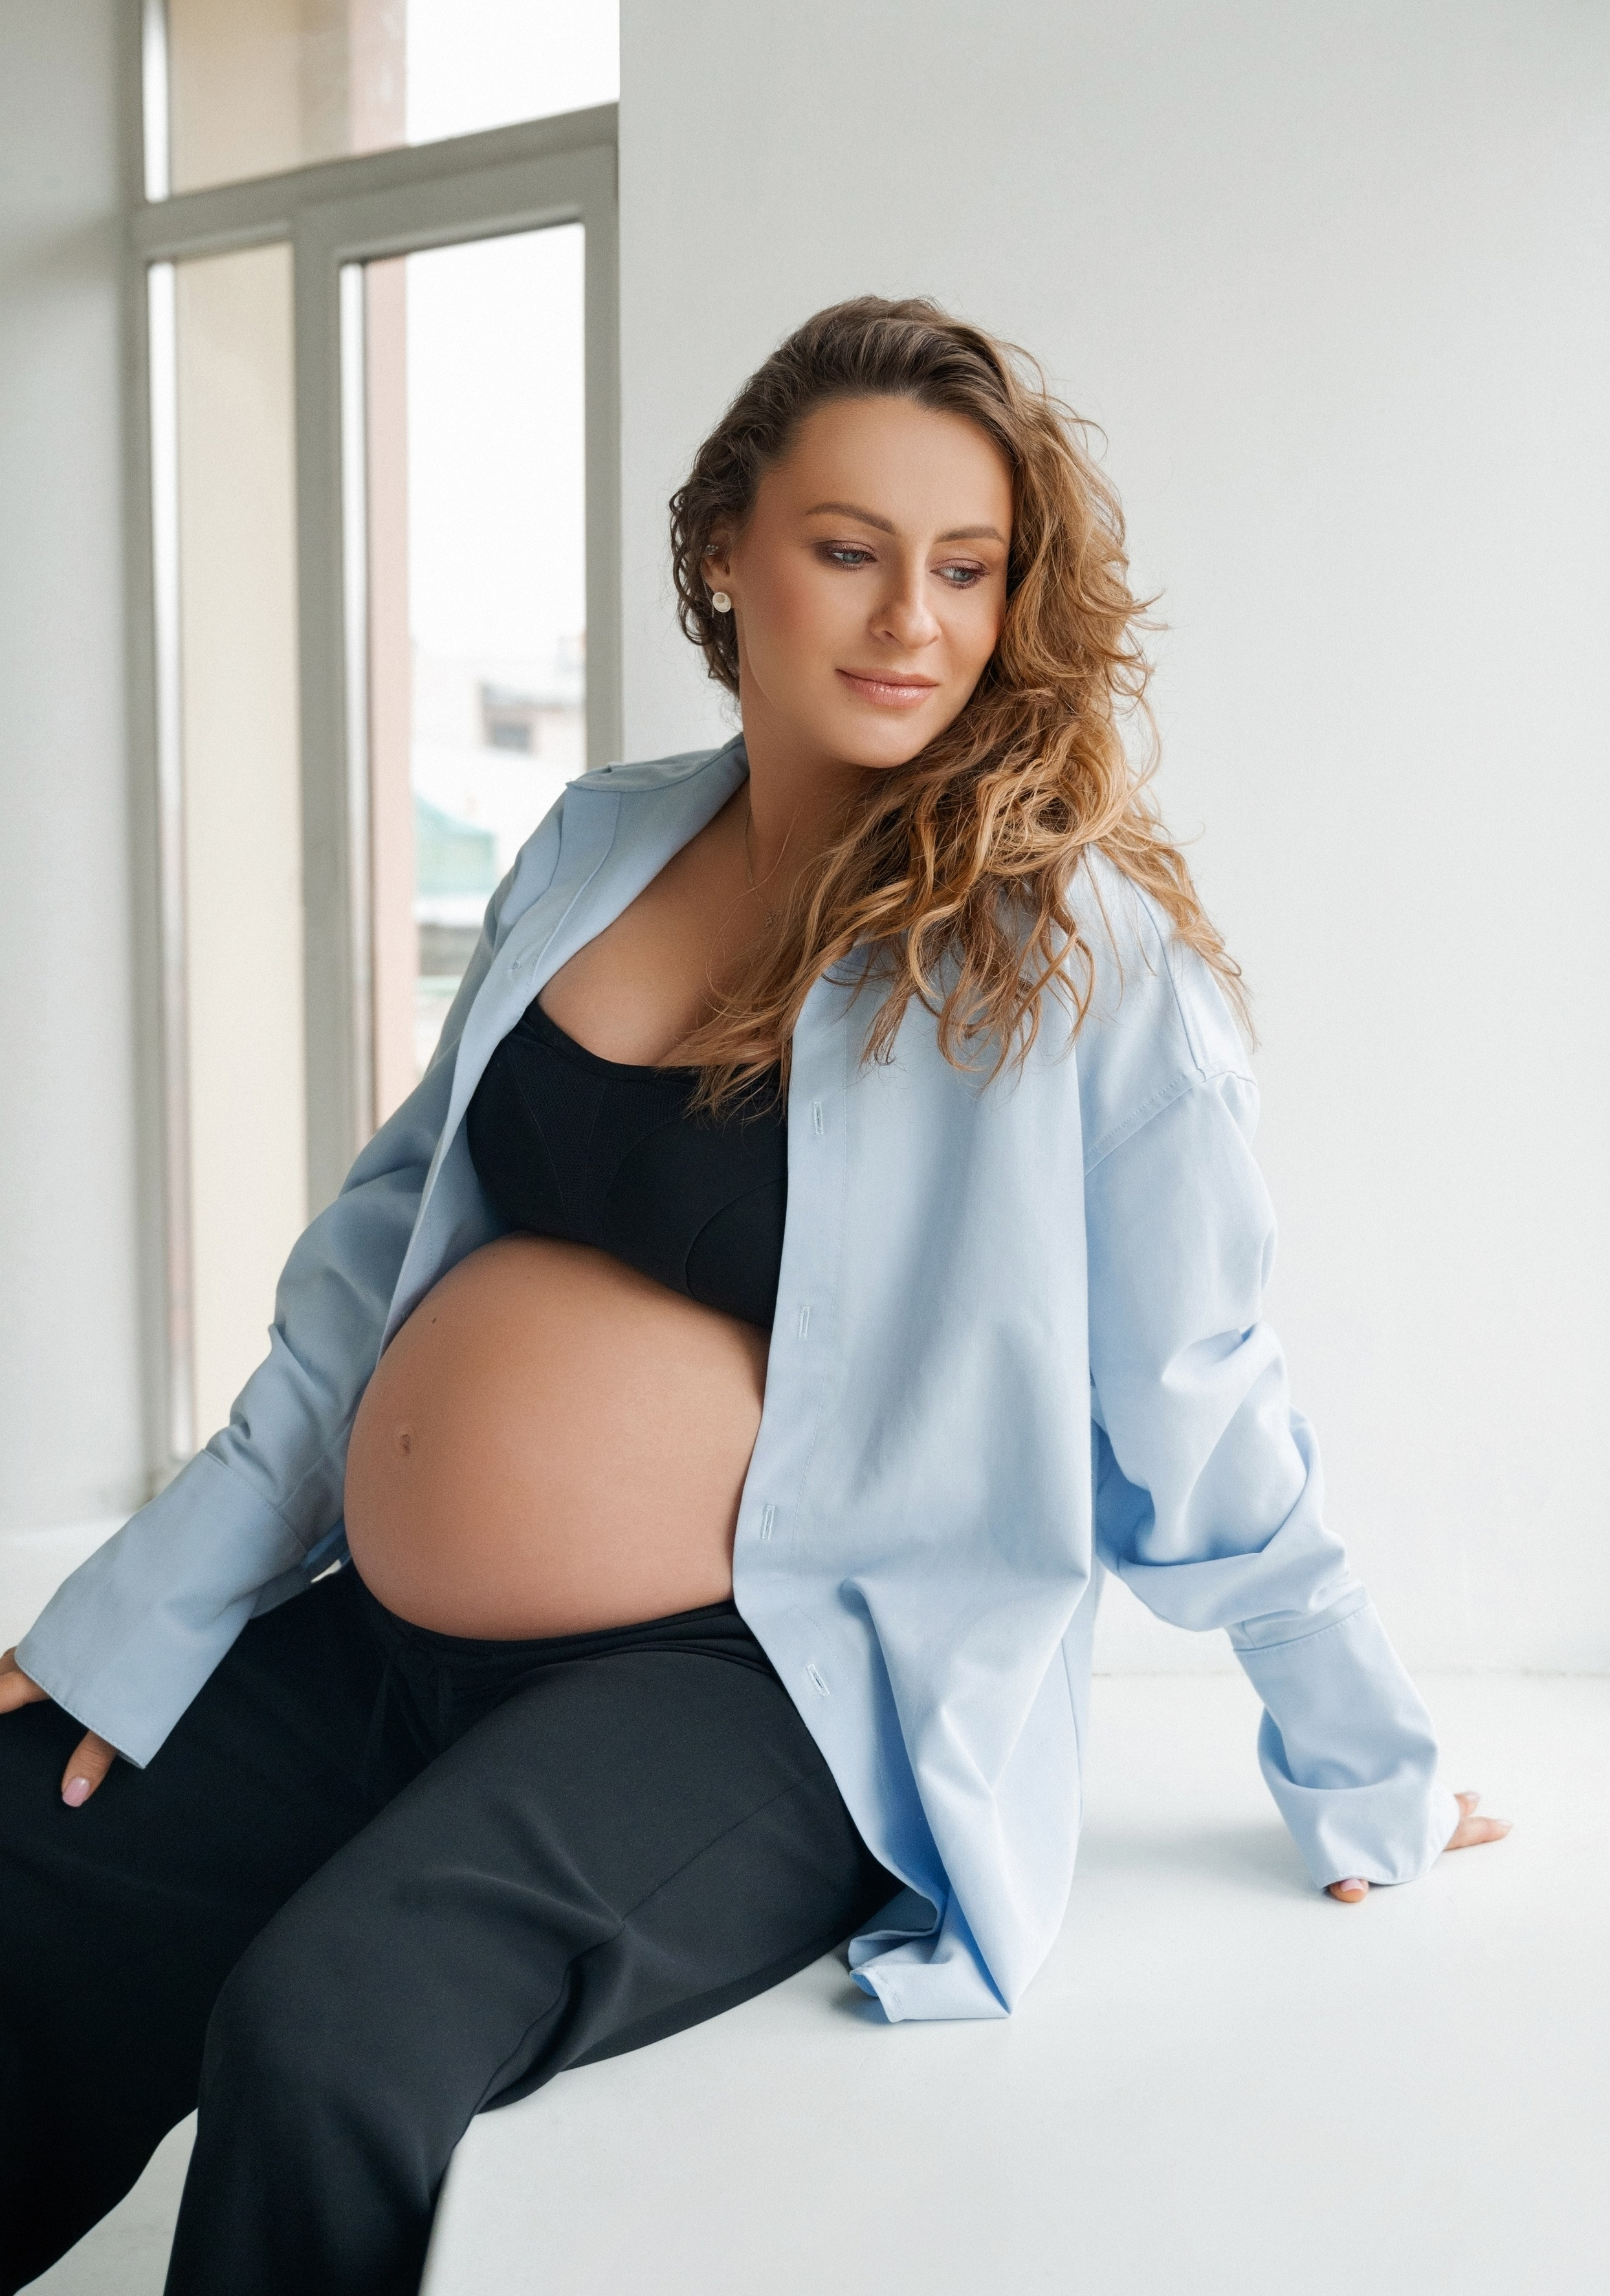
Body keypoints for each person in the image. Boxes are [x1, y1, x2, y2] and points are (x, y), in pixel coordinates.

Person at [0, 296, 1507, 2295]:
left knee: (335, 2028)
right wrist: (153, 1603)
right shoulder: (602, 840)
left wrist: (1368, 1765)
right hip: (389, 1634)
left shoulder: (1069, 956)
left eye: (966, 568)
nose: (912, 621)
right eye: (849, 549)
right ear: (726, 551)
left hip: (761, 1694)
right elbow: (383, 1252)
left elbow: (1193, 1391)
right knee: (25, 1857)